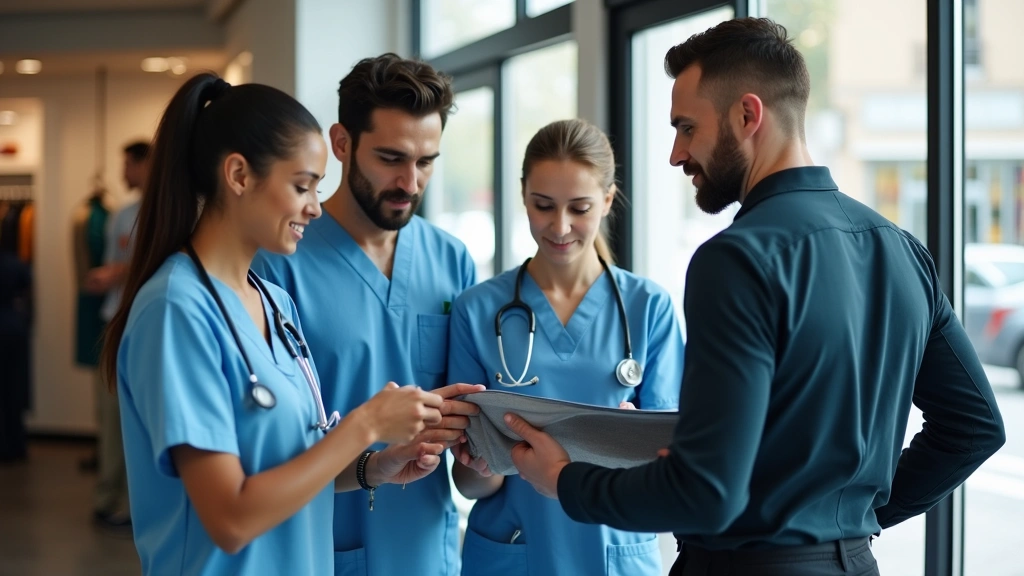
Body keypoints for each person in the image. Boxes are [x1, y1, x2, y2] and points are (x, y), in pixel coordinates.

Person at [505, 18, 1006, 576]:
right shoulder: (901, 249)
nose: (676, 153)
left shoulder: (736, 258)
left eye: (687, 128)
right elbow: (975, 427)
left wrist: (564, 480)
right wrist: (846, 521)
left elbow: (705, 492)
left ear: (747, 115)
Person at [100, 72, 459, 575]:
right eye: (302, 186)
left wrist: (374, 466)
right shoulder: (175, 311)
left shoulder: (274, 303)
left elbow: (290, 468)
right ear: (240, 176)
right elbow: (230, 517)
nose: (315, 207)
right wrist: (366, 425)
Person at [251, 53, 478, 576]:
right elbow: (267, 438)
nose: (411, 182)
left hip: (424, 544)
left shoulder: (452, 260)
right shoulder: (277, 262)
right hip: (318, 539)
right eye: (391, 158)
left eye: (426, 161)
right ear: (341, 142)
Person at [447, 118, 685, 575]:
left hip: (616, 553)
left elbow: (673, 474)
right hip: (515, 552)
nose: (560, 226)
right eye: (543, 206)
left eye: (579, 208)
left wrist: (640, 450)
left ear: (608, 201)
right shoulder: (476, 311)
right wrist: (480, 463)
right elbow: (471, 485)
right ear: (523, 196)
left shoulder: (648, 307)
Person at [82, 140, 151, 529]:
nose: (123, 173)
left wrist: (119, 273)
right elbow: (120, 262)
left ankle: (129, 504)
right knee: (108, 414)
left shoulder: (163, 211)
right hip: (114, 321)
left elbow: (147, 262)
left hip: (141, 323)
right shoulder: (121, 215)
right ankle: (108, 497)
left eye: (128, 164)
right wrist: (109, 274)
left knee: (134, 418)